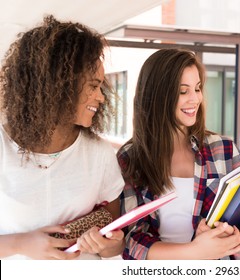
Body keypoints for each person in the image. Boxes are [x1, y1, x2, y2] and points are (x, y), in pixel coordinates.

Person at [117, 48, 240, 260]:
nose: (195, 99)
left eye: (198, 88)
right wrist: (195, 251)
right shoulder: (131, 158)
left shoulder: (223, 149)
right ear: (158, 95)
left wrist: (236, 239)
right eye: (183, 91)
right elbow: (132, 238)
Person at [0, 15, 125, 260]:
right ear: (59, 84)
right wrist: (21, 243)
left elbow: (116, 241)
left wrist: (106, 243)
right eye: (92, 85)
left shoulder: (99, 153)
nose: (100, 97)